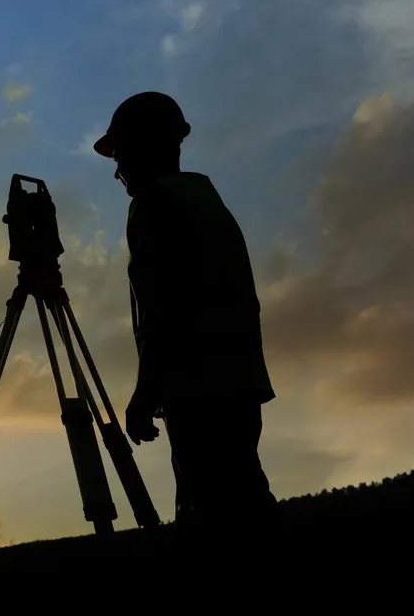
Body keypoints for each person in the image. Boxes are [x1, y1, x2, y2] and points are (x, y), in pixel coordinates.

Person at [93, 91, 279, 548]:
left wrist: (144, 394)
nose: (117, 171)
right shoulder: (204, 201)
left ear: (145, 147)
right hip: (238, 382)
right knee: (246, 506)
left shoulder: (155, 205)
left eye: (122, 155)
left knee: (212, 521)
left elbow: (165, 310)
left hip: (199, 390)